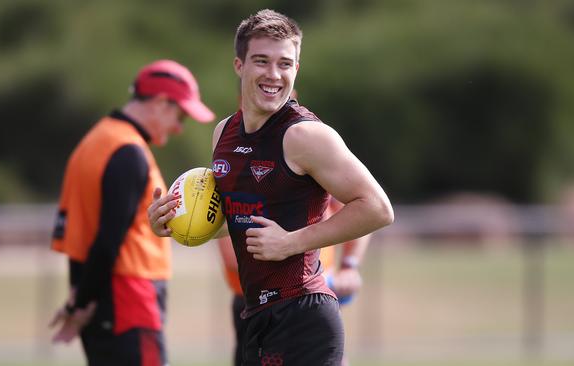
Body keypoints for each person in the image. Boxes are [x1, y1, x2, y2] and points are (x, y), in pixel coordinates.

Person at [149, 9, 393, 365]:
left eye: (285, 64)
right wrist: (176, 222)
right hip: (256, 317)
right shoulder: (224, 134)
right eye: (261, 61)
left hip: (304, 314)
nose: (274, 74)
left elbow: (377, 208)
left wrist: (293, 241)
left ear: (297, 68)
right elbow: (240, 219)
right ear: (239, 65)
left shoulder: (305, 136)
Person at [49, 59, 215, 366]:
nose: (179, 128)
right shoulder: (129, 152)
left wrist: (80, 298)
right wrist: (82, 301)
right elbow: (108, 240)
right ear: (161, 103)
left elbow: (78, 231)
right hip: (130, 302)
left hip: (105, 302)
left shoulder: (95, 141)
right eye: (180, 116)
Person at [217, 198, 370, 366]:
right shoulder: (234, 176)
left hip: (312, 300)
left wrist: (349, 265)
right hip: (257, 306)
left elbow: (364, 204)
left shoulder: (316, 172)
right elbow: (233, 259)